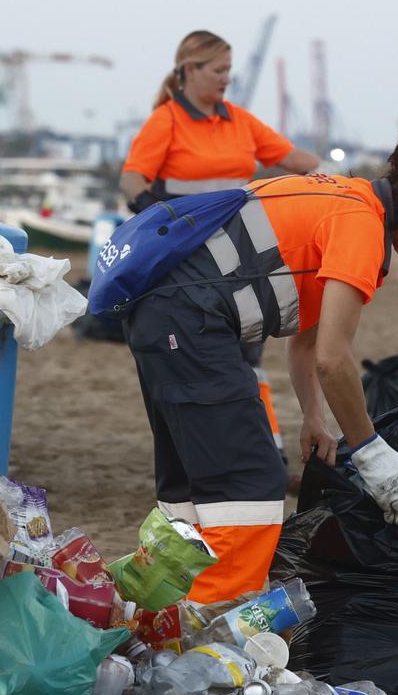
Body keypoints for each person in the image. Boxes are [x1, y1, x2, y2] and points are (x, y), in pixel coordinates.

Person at [120, 118, 398, 601]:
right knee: (249, 483)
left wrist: (314, 417)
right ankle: (210, 632)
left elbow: (307, 342)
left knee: (189, 485)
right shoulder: (361, 223)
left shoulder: (344, 196)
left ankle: (155, 614)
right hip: (190, 320)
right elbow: (334, 361)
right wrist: (375, 457)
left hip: (159, 313)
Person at [119, 30, 322, 448]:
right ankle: (212, 443)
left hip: (238, 254)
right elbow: (131, 179)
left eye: (229, 70)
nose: (226, 78)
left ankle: (271, 448)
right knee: (197, 353)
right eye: (218, 70)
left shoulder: (240, 120)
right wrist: (158, 217)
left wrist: (316, 182)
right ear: (190, 70)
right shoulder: (167, 120)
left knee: (250, 353)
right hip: (184, 259)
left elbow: (302, 161)